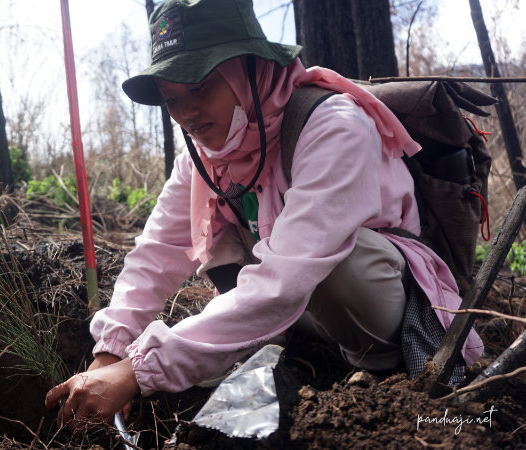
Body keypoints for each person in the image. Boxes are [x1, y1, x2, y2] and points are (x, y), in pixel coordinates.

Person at [45, 0, 483, 429]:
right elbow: (155, 254)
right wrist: (112, 352)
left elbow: (286, 278)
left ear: (252, 67)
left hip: (378, 304)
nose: (186, 113)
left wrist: (139, 371)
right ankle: (290, 353)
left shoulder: (332, 125)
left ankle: (379, 380)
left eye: (200, 87)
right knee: (203, 348)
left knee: (339, 264)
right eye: (172, 98)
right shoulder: (204, 157)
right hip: (294, 308)